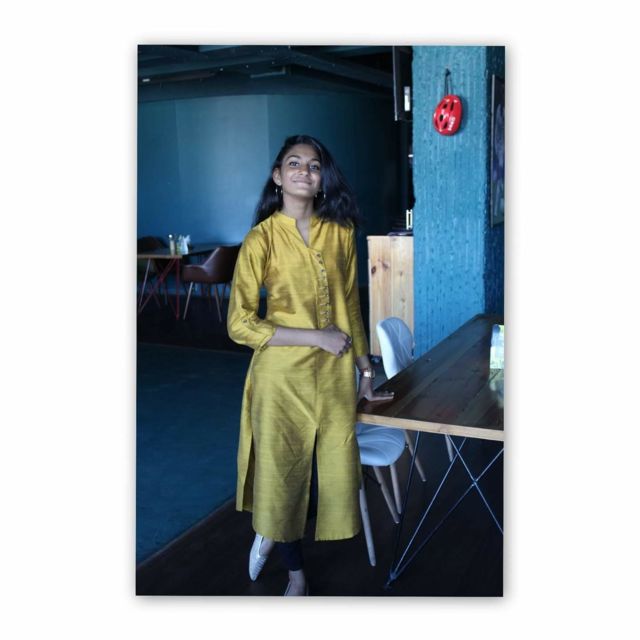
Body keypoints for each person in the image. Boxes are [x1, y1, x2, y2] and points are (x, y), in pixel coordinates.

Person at [227, 134, 393, 596]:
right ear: (278, 177)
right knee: (283, 475)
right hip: (281, 378)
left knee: (335, 469)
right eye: (294, 163)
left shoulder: (340, 233)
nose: (305, 171)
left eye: (314, 165)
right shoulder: (261, 239)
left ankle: (271, 530)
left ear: (322, 180)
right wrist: (316, 336)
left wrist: (366, 372)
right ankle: (295, 574)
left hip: (336, 375)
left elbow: (350, 307)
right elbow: (239, 323)